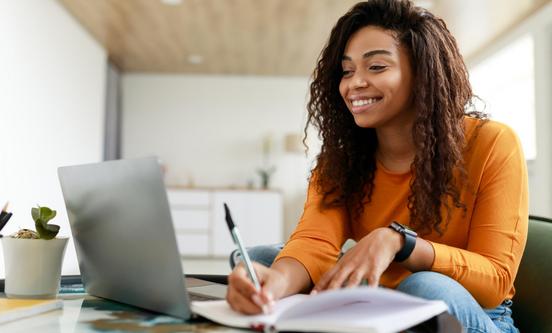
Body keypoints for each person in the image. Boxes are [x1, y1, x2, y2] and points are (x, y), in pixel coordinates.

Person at [226, 1, 528, 332]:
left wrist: (401, 243)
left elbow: (495, 281)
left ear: (422, 72)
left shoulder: (493, 143)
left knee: (425, 287)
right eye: (347, 70)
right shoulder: (340, 161)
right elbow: (315, 241)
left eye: (377, 67)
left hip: (474, 314)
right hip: (380, 304)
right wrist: (274, 285)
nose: (354, 83)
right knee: (259, 260)